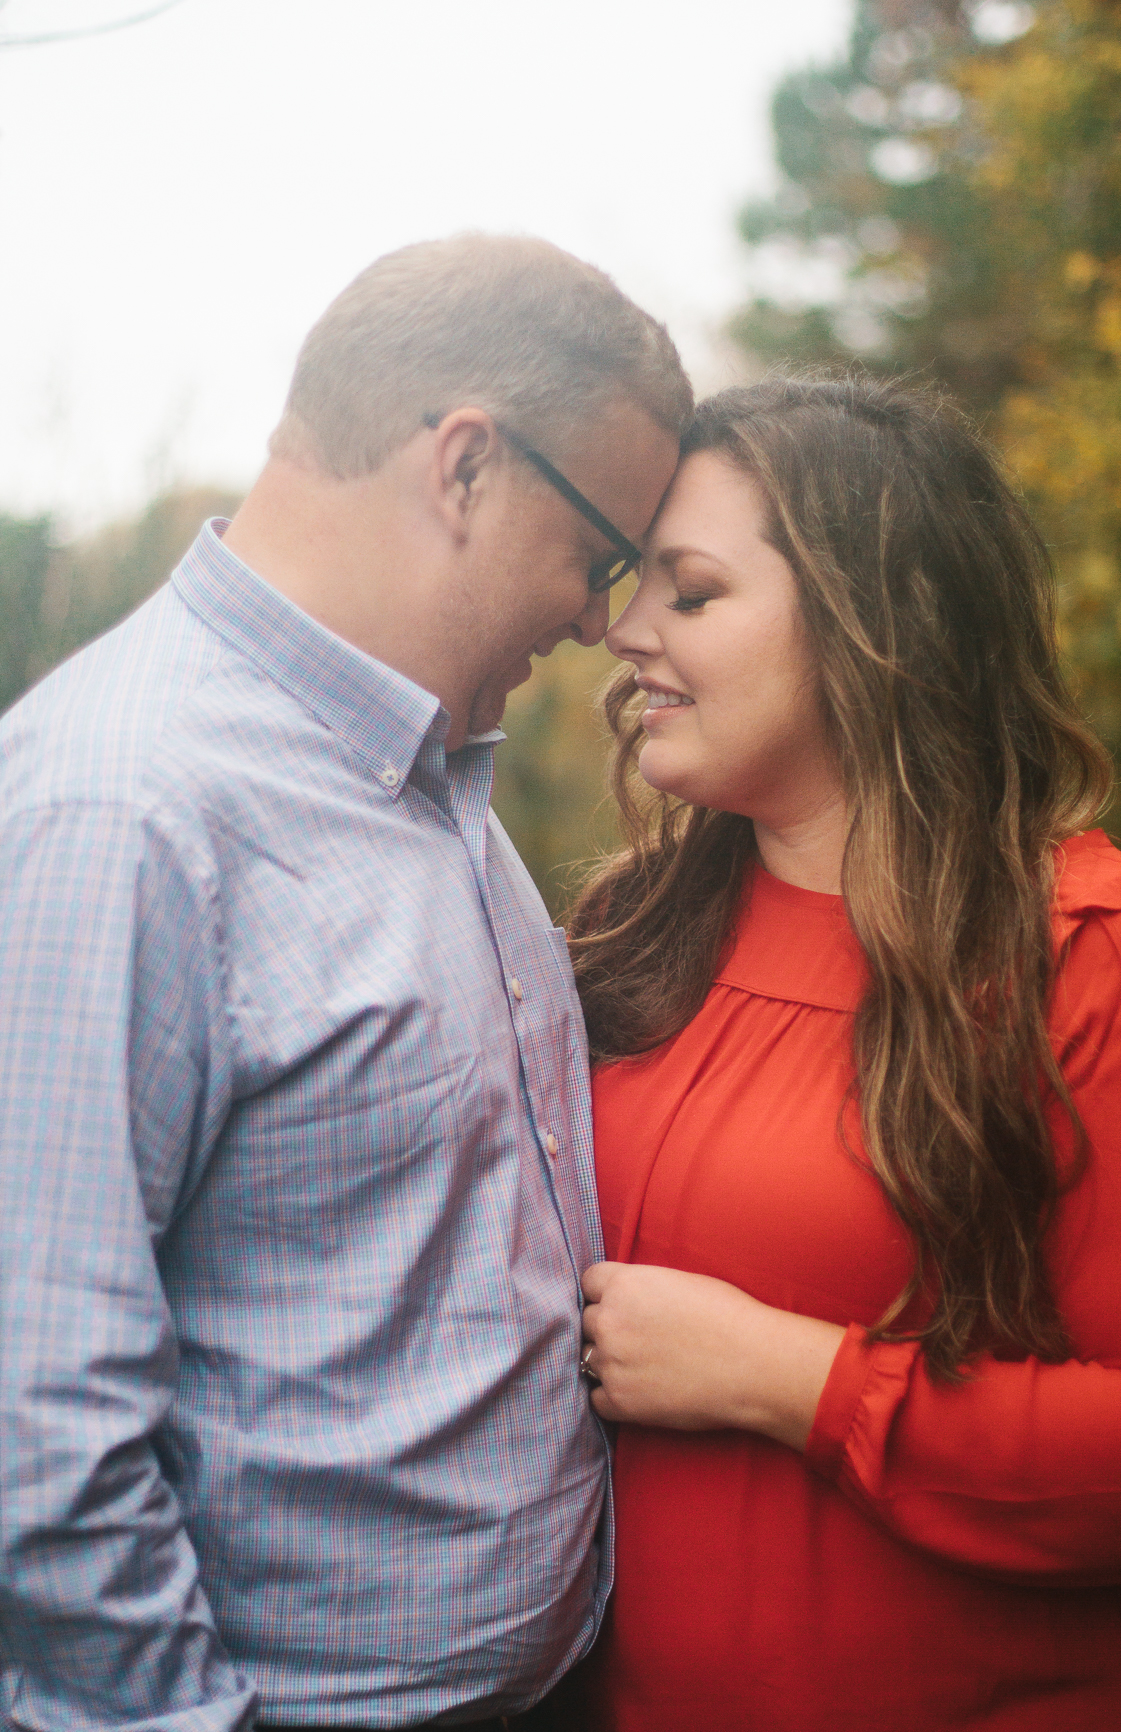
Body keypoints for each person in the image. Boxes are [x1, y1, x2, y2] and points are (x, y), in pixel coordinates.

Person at [0, 234, 689, 1732]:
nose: (595, 622)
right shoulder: (121, 810)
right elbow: (35, 1421)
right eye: (600, 556)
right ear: (463, 468)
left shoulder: (429, 774)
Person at [568, 375, 1121, 1730]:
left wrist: (792, 1379)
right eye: (627, 584)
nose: (623, 631)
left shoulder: (1091, 948)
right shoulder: (629, 935)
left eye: (691, 592)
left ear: (869, 624)